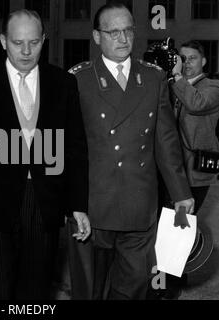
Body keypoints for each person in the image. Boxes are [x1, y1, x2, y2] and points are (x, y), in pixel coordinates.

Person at [0, 9, 90, 299]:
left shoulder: (63, 83)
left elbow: (74, 147)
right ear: (3, 41)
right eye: (17, 43)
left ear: (44, 40)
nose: (26, 51)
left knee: (36, 290)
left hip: (45, 201)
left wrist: (78, 204)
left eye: (34, 42)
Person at [68, 2, 194, 300]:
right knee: (89, 290)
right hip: (92, 203)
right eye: (113, 32)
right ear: (96, 37)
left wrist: (180, 192)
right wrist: (71, 201)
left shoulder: (153, 77)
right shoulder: (78, 79)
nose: (123, 39)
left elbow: (165, 140)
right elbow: (69, 148)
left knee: (134, 284)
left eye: (128, 31)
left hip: (139, 201)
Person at [164, 40, 219, 298]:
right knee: (166, 229)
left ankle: (171, 288)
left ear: (204, 62)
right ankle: (162, 281)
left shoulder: (213, 87)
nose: (186, 64)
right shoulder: (174, 86)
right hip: (171, 172)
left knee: (178, 228)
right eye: (182, 58)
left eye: (192, 58)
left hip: (195, 175)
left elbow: (196, 104)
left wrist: (175, 76)